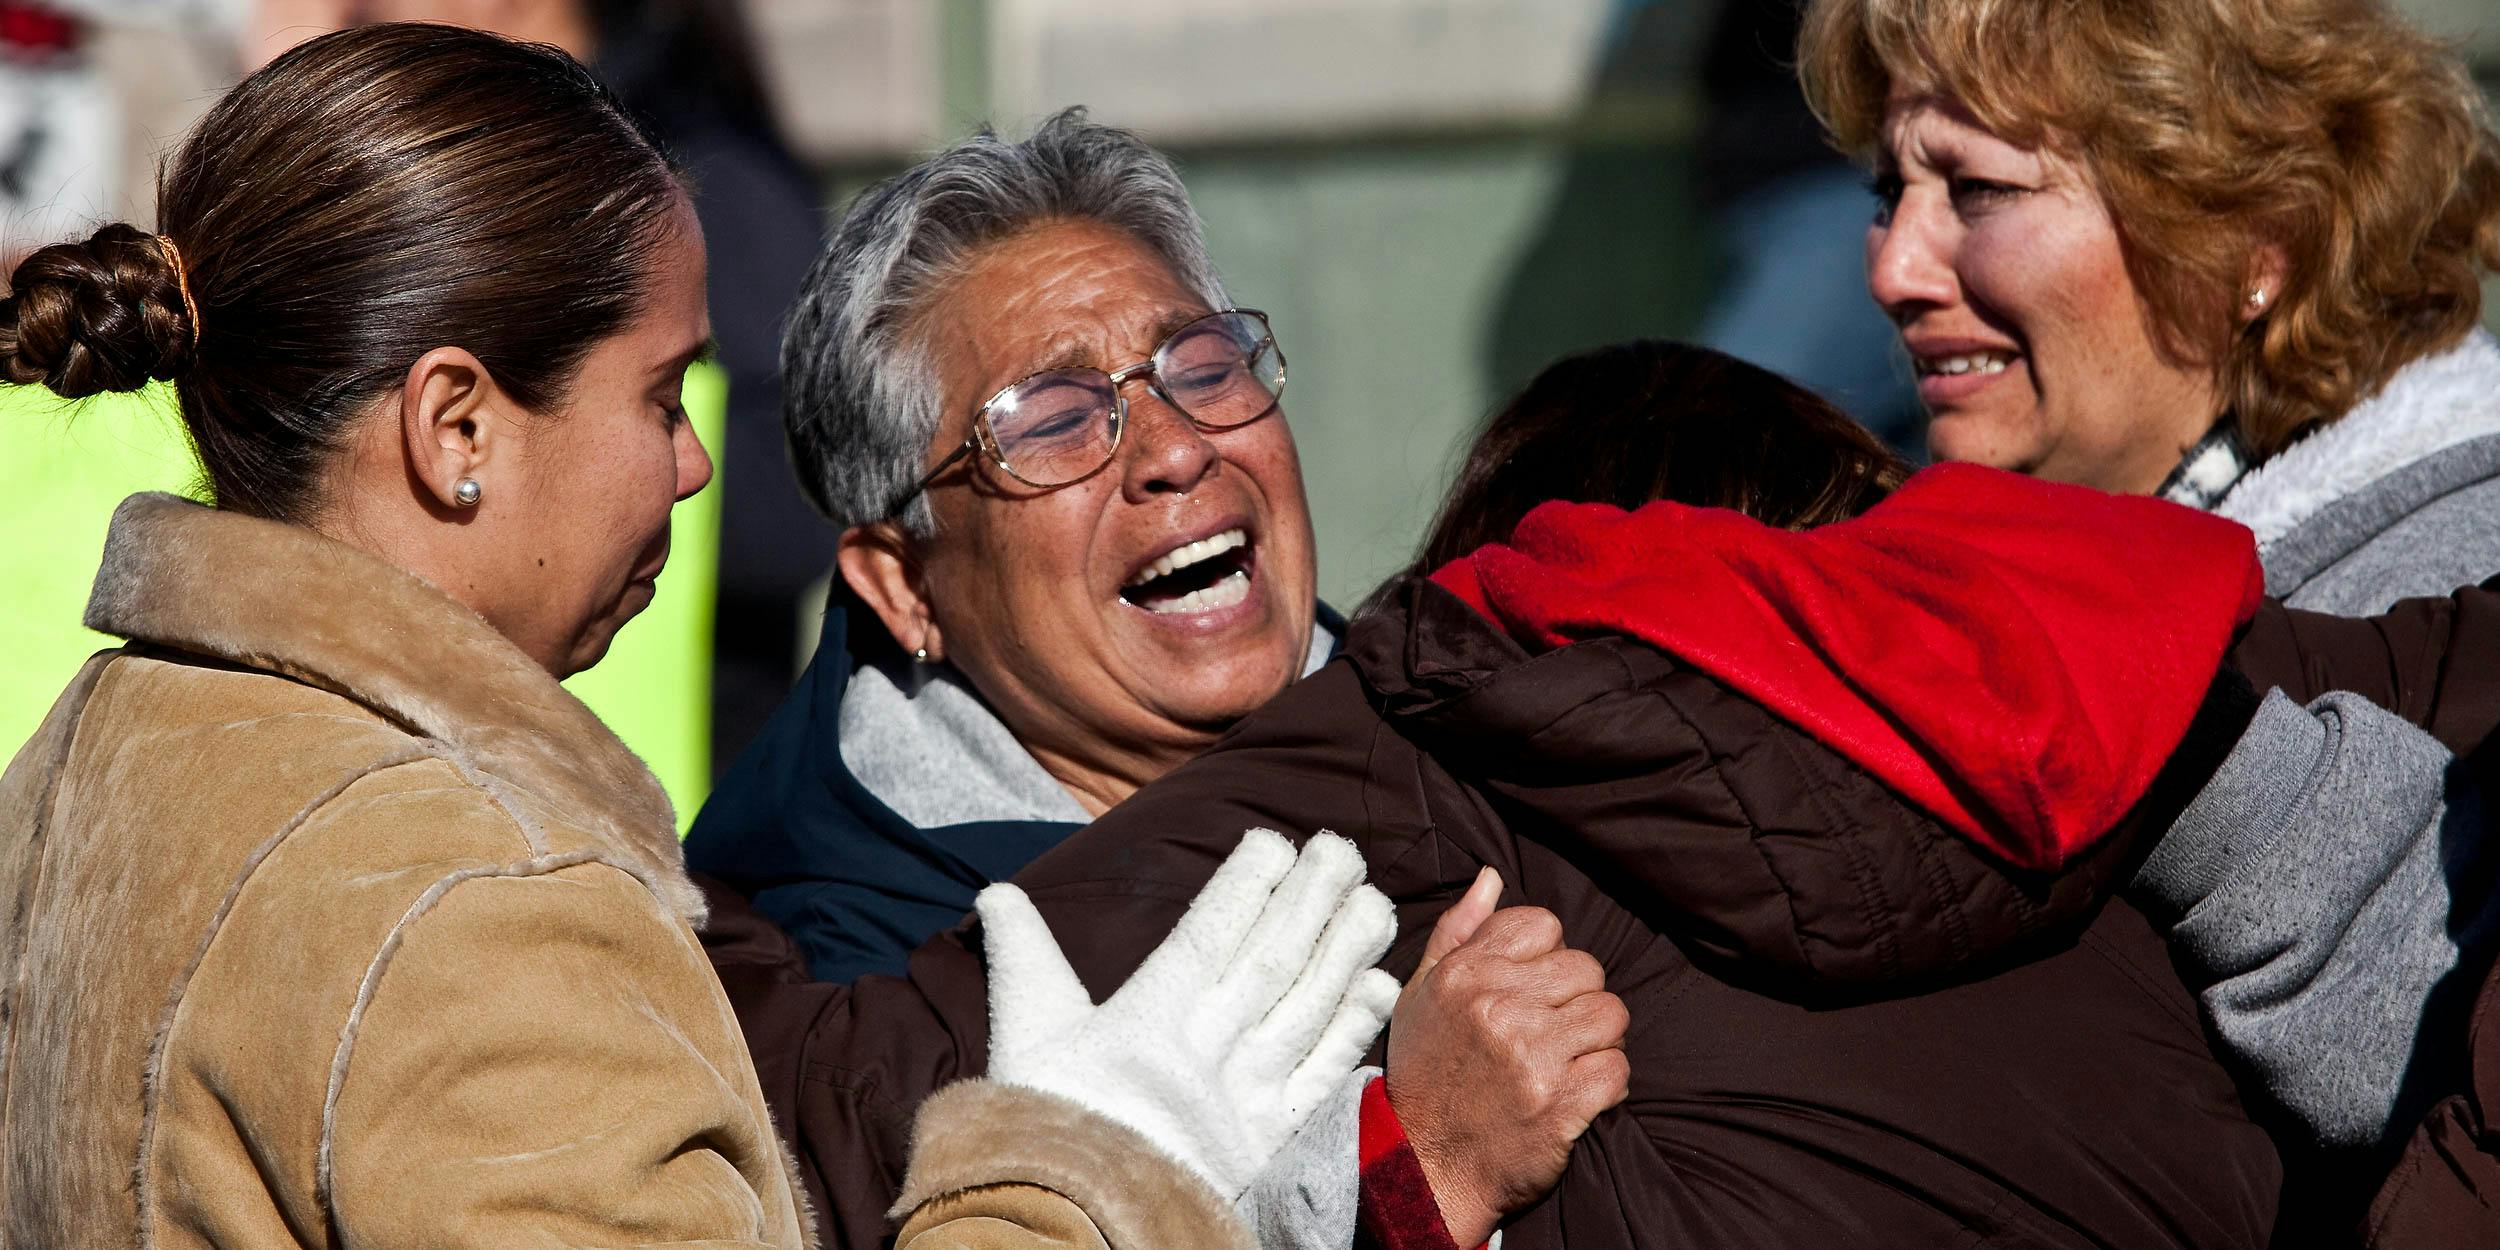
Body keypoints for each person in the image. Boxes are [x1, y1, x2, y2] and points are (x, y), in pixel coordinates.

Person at [0, 25, 1406, 1247]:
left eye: (1205, 365)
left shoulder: (83, 763)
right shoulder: (479, 908)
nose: (692, 466)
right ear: (457, 430)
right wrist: (1099, 1162)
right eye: (665, 397)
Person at [704, 339, 2319, 1247]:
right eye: (1051, 415)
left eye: (1199, 361)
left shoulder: (1448, 730)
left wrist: (1414, 1173)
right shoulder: (2145, 776)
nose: (1168, 448)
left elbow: (831, 1110)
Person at [1797, 0, 2500, 1220]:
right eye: (1885, 191)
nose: (1892, 267)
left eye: (1975, 189)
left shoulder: (2457, 578)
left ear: (2250, 236)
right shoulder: (1937, 537)